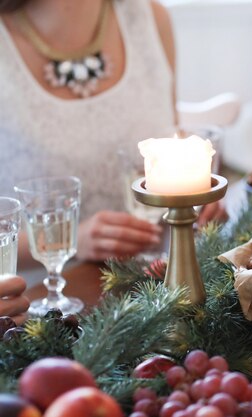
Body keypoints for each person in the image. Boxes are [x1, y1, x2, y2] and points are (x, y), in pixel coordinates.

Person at [0, 0, 225, 267]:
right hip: (45, 297)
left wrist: (192, 202)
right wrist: (71, 240)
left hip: (156, 283)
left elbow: (172, 146)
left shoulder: (151, 18)